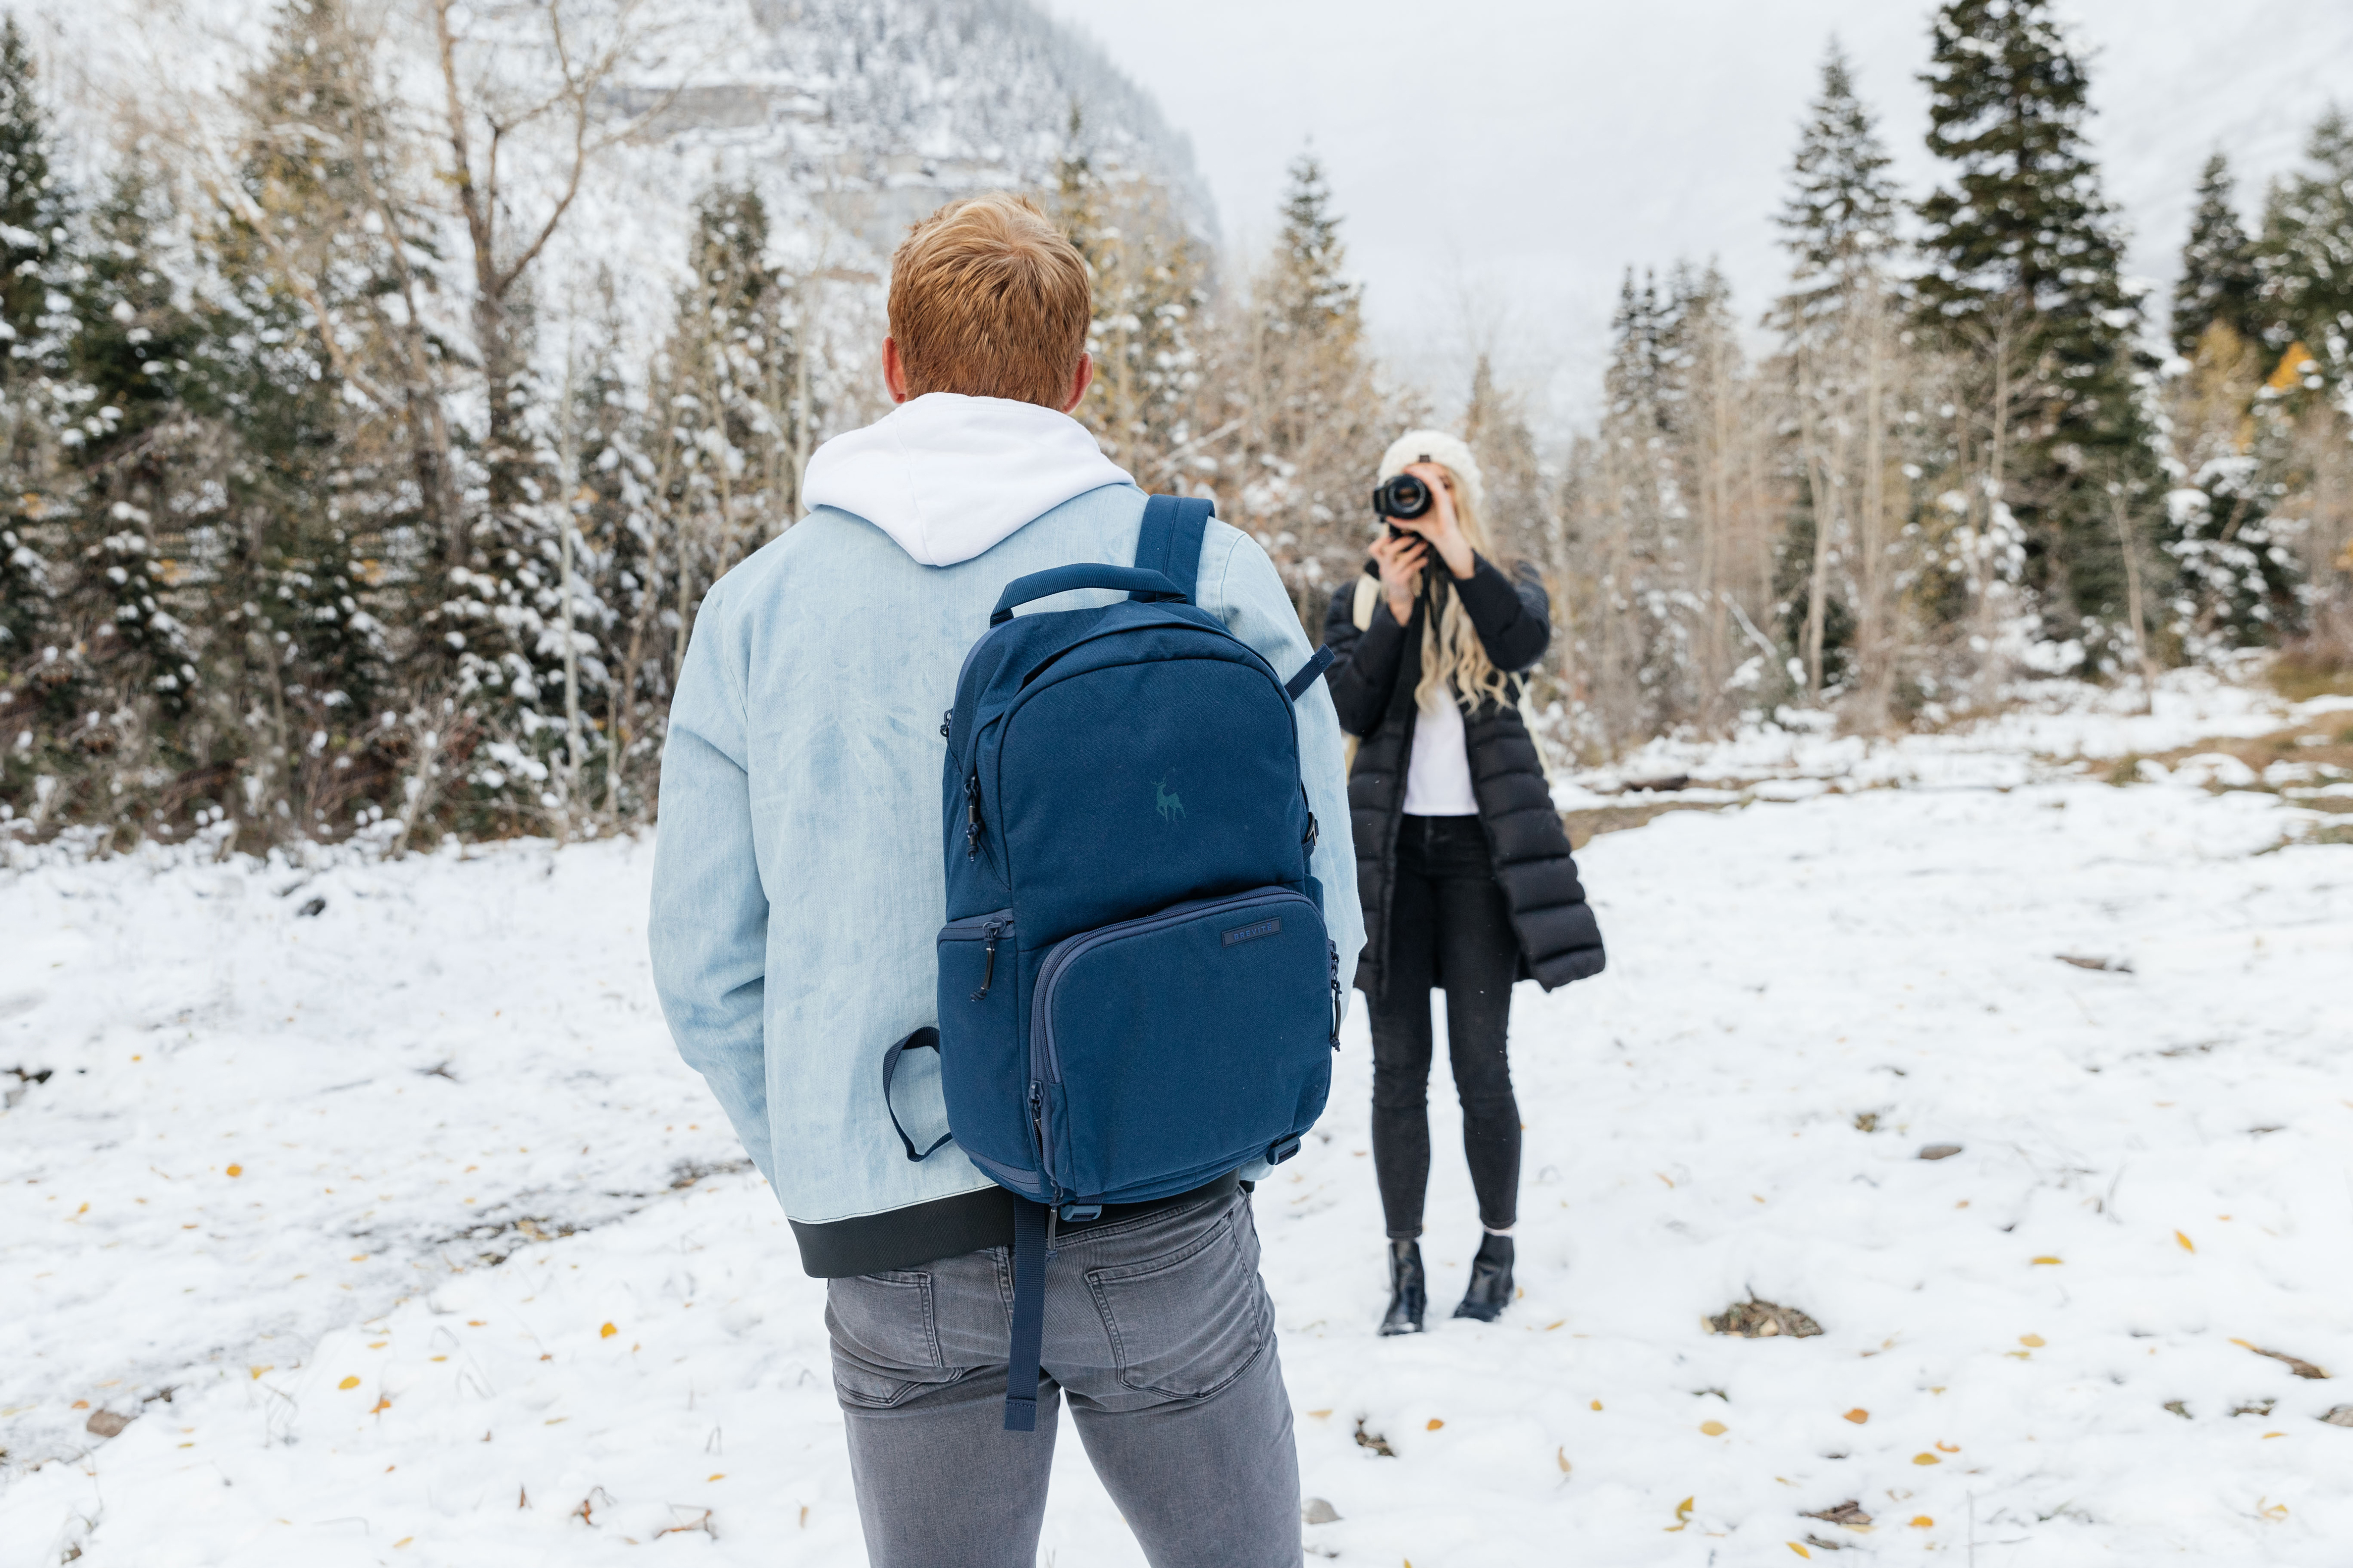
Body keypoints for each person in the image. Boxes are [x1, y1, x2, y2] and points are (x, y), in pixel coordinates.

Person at [647, 192, 1360, 1568]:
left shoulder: (756, 609)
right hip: (1158, 1206)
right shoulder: (1200, 570)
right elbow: (1322, 900)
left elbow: (703, 968)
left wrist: (832, 1159)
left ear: (892, 366)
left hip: (887, 1227)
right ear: (1078, 379)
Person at [1321, 431, 1604, 1337]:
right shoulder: (1362, 596)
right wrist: (1396, 607)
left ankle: (1496, 1247)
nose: (1419, 502)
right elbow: (1349, 708)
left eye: (1436, 488)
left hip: (1480, 868)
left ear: (1461, 496)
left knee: (1482, 1068)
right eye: (1407, 489)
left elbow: (1522, 645)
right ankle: (1404, 1264)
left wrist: (1454, 549)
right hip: (1394, 866)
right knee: (1397, 1073)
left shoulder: (1502, 581)